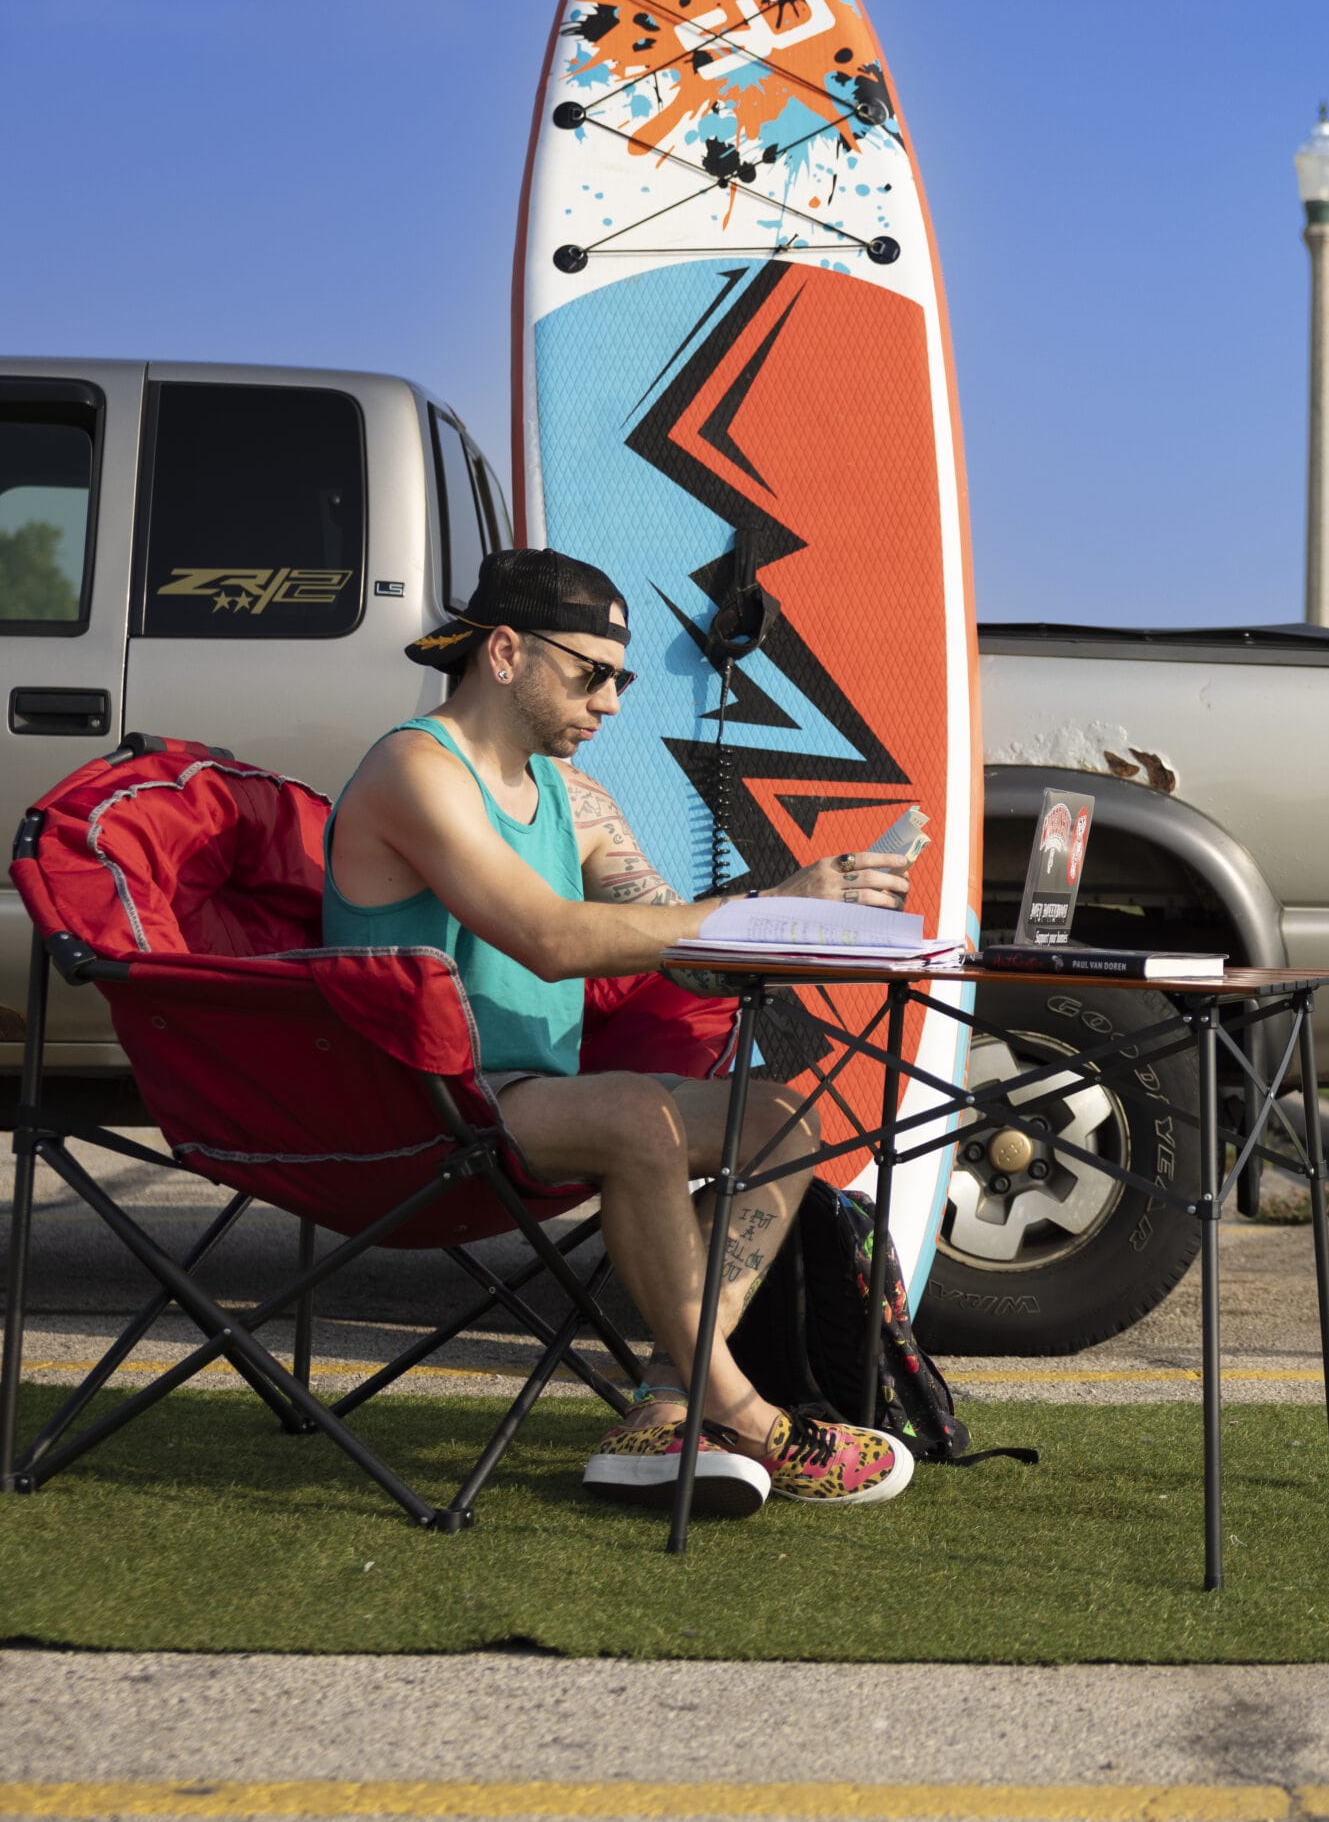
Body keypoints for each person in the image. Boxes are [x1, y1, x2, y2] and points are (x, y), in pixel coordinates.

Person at [324, 547, 919, 1519]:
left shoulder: (576, 798)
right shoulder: (413, 768)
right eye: (593, 673)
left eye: (622, 679)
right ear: (505, 652)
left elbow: (685, 957)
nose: (611, 702)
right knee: (640, 1116)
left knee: (779, 1123)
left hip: (526, 1102)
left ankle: (667, 1404)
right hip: (419, 1105)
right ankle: (752, 1418)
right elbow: (549, 938)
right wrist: (756, 906)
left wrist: (818, 915)